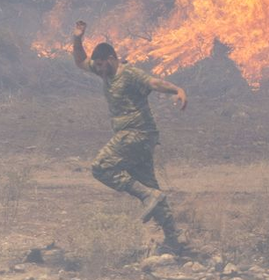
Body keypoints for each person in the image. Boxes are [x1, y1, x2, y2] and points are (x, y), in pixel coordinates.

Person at [72, 20, 186, 249]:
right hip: (137, 137)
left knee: (101, 166)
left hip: (138, 133)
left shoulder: (130, 74)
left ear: (113, 58)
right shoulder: (103, 70)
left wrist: (177, 90)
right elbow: (80, 61)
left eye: (104, 65)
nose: (101, 70)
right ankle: (176, 240)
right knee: (151, 187)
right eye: (99, 66)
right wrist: (77, 39)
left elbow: (153, 82)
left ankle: (147, 197)